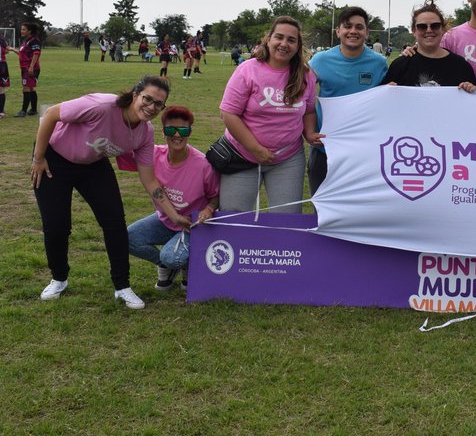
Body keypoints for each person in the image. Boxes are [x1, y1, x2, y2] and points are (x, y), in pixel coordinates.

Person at [30, 76, 185, 309]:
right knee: (57, 225)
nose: (151, 107)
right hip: (54, 159)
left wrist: (173, 216)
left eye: (158, 104)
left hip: (93, 165)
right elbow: (51, 113)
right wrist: (39, 158)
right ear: (135, 95)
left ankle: (122, 286)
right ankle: (59, 279)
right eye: (147, 99)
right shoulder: (101, 106)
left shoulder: (145, 132)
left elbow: (149, 179)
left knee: (114, 222)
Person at [218, 16, 321, 213]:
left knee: (286, 220)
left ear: (298, 45)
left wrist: (309, 133)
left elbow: (308, 109)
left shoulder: (306, 74)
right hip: (242, 155)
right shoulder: (247, 70)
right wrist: (255, 148)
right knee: (233, 217)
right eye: (279, 37)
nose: (284, 44)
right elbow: (228, 113)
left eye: (291, 40)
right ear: (268, 39)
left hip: (288, 159)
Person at [128, 105, 219, 290]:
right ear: (163, 132)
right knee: (127, 238)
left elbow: (216, 196)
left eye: (183, 130)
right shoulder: (152, 155)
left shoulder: (202, 165)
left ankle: (187, 265)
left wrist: (208, 209)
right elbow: (124, 145)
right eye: (171, 130)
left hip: (191, 225)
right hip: (165, 220)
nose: (177, 135)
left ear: (190, 132)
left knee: (172, 257)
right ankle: (166, 266)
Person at [307, 7, 388, 194]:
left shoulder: (379, 63)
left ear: (367, 33)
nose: (353, 31)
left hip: (364, 152)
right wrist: (309, 132)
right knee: (322, 208)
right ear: (338, 31)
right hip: (325, 149)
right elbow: (306, 99)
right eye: (347, 26)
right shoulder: (320, 60)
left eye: (359, 27)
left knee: (360, 210)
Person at [382, 0, 476, 88]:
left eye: (435, 26)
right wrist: (387, 90)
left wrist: (470, 89)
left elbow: (474, 100)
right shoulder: (400, 66)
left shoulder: (461, 66)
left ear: (442, 29)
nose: (429, 30)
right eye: (422, 26)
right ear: (414, 31)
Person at [12, 22, 42, 117]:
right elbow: (23, 54)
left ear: (30, 31)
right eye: (21, 29)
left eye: (24, 29)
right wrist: (13, 50)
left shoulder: (34, 41)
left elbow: (36, 53)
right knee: (31, 88)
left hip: (29, 68)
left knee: (26, 88)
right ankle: (33, 109)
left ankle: (23, 111)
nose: (22, 31)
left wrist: (31, 67)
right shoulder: (26, 41)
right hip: (26, 68)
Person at [0, 32, 9, 118]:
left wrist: (4, 51)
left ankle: (1, 111)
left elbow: (7, 50)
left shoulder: (2, 39)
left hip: (1, 65)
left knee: (1, 88)